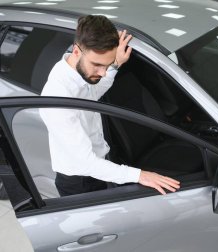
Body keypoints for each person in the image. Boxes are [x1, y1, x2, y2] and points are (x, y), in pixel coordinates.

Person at [40, 15, 180, 196]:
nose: (102, 72)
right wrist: (140, 176)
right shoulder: (57, 99)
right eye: (97, 65)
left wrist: (115, 65)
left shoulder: (77, 70)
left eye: (106, 65)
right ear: (76, 51)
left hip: (100, 166)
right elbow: (86, 163)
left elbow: (93, 94)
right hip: (80, 181)